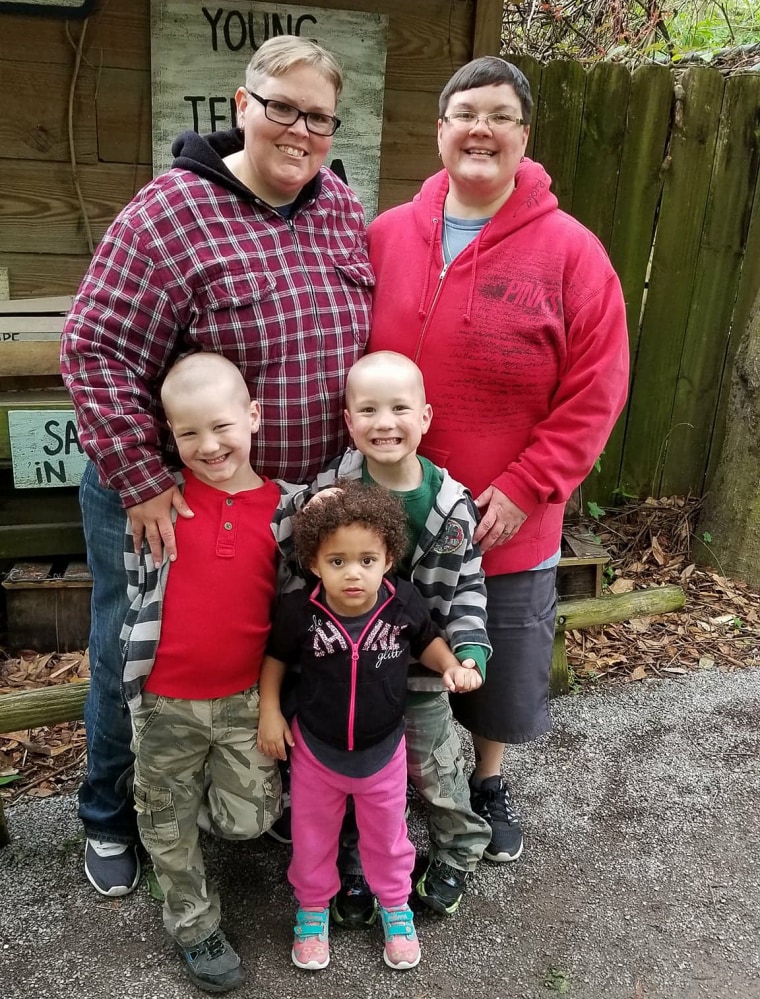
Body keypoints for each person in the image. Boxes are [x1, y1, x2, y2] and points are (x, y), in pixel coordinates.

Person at [60, 35, 372, 899]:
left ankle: (246, 795)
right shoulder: (170, 212)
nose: (299, 130)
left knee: (263, 651)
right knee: (137, 657)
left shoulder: (340, 206)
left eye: (318, 115)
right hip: (171, 499)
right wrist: (142, 479)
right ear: (242, 105)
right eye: (282, 107)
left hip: (288, 506)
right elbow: (93, 351)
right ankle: (109, 815)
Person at [366, 57, 630, 862]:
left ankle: (485, 782)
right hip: (391, 508)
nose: (482, 128)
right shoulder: (384, 234)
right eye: (466, 112)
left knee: (496, 660)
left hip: (503, 514)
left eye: (502, 115)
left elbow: (598, 388)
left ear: (524, 135)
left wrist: (526, 486)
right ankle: (377, 782)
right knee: (383, 648)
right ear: (440, 129)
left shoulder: (571, 252)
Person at [279, 351, 492, 920]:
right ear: (349, 422)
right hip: (346, 672)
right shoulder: (332, 488)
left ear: (425, 417)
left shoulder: (452, 504)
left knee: (435, 769)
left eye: (399, 408)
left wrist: (467, 650)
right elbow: (285, 543)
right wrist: (305, 508)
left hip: (423, 667)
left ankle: (456, 851)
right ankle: (355, 871)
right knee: (347, 775)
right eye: (368, 409)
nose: (384, 422)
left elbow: (469, 584)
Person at [257, 481, 483, 972]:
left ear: (387, 559)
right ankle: (313, 909)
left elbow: (428, 640)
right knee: (312, 836)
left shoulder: (400, 603)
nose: (353, 574)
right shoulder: (301, 611)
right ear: (315, 564)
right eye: (337, 561)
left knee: (388, 837)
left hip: (383, 752)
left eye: (367, 560)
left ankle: (396, 907)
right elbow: (275, 660)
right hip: (316, 752)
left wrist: (450, 666)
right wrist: (270, 712)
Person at [121, 354, 295, 992]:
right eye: (188, 433)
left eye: (221, 426)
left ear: (253, 417)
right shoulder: (160, 502)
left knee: (248, 820)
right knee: (164, 818)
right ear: (170, 435)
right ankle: (193, 923)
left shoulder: (286, 510)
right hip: (165, 698)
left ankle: (171, 807)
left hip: (246, 700)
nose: (208, 445)